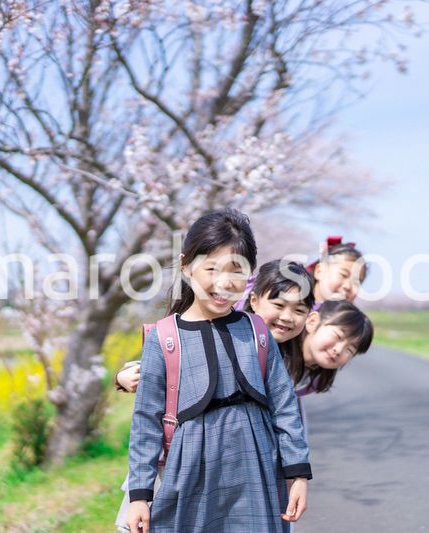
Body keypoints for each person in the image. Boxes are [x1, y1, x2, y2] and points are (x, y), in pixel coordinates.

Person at [126, 208, 311, 533]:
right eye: (211, 268)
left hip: (257, 466)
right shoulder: (164, 338)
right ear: (186, 266)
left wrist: (297, 473)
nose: (225, 282)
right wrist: (139, 496)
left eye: (237, 271)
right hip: (191, 469)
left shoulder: (256, 330)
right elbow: (146, 422)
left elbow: (285, 407)